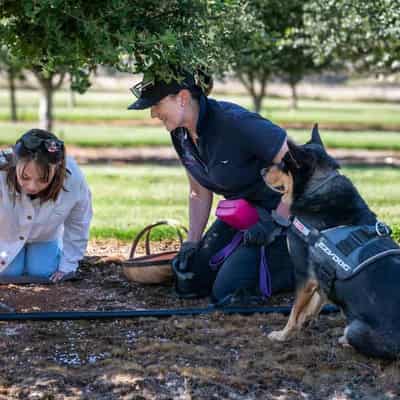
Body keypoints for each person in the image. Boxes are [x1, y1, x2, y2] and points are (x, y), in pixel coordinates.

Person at [127, 70, 294, 304]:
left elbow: (299, 168)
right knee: (189, 281)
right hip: (243, 216)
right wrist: (192, 242)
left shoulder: (236, 123)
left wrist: (278, 221)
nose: (153, 113)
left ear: (183, 98)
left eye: (156, 104)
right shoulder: (180, 134)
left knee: (228, 292)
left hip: (285, 217)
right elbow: (198, 191)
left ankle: (301, 268)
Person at [0, 129, 92, 283]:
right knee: (10, 272)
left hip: (44, 237)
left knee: (42, 272)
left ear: (57, 168)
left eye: (43, 179)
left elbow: (79, 224)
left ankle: (54, 248)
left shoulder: (74, 179)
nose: (32, 186)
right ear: (15, 163)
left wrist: (68, 265)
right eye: (25, 177)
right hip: (5, 235)